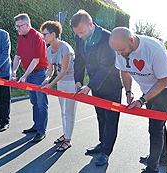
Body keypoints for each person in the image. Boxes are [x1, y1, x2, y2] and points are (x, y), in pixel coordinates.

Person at [109, 27, 167, 173]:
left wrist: (141, 101)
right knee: (158, 124)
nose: (119, 53)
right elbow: (124, 70)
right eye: (116, 51)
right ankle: (161, 157)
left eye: (121, 49)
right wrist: (128, 91)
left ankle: (152, 168)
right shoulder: (120, 50)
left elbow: (163, 80)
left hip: (166, 87)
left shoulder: (154, 49)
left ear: (132, 40)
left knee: (155, 127)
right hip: (148, 89)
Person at [70, 10, 123, 166]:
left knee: (111, 119)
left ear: (91, 25)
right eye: (77, 33)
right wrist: (78, 81)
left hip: (111, 85)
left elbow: (106, 66)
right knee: (100, 116)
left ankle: (106, 152)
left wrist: (90, 85)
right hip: (96, 86)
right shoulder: (79, 36)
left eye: (82, 32)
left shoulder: (108, 37)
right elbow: (79, 59)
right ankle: (102, 143)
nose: (79, 36)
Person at [40, 21, 77, 151]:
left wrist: (50, 85)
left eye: (45, 34)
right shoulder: (48, 50)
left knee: (69, 112)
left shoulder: (65, 48)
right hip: (61, 82)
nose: (43, 36)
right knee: (63, 111)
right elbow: (51, 70)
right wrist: (47, 79)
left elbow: (64, 71)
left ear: (53, 34)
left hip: (72, 82)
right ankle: (65, 134)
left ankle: (68, 140)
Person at [13, 13, 48, 143]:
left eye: (19, 26)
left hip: (39, 74)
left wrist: (23, 76)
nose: (17, 29)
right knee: (34, 101)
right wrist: (14, 71)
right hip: (29, 74)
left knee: (41, 103)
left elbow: (35, 60)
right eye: (16, 26)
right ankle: (36, 126)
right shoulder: (21, 37)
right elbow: (17, 56)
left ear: (27, 24)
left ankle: (41, 131)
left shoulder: (38, 37)